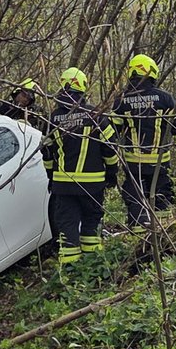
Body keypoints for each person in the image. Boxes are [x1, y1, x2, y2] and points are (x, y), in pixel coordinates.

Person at [43, 67, 116, 270]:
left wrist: (51, 176)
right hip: (93, 185)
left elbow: (46, 153)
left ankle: (69, 271)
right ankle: (93, 268)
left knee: (67, 227)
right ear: (83, 88)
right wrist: (112, 174)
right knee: (91, 224)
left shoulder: (51, 119)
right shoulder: (96, 115)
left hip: (63, 186)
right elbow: (110, 149)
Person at [112, 53, 176, 228]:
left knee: (135, 200)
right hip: (159, 163)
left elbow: (112, 133)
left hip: (134, 164)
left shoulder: (121, 100)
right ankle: (162, 233)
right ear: (152, 72)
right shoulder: (165, 98)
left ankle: (138, 234)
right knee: (162, 200)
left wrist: (110, 162)